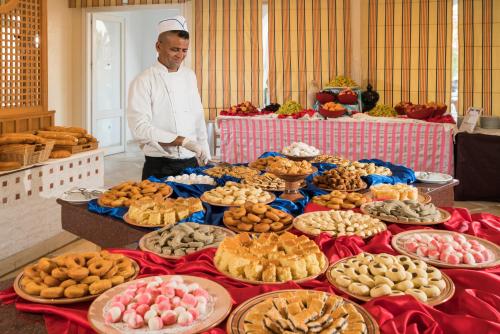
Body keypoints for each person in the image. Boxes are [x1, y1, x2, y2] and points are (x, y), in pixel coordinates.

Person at [127, 16, 211, 180]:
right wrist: (182, 141)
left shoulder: (189, 75)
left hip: (191, 165)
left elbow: (197, 116)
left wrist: (205, 151)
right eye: (174, 49)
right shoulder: (143, 80)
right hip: (159, 167)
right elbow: (140, 128)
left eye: (184, 50)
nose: (180, 55)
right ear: (158, 46)